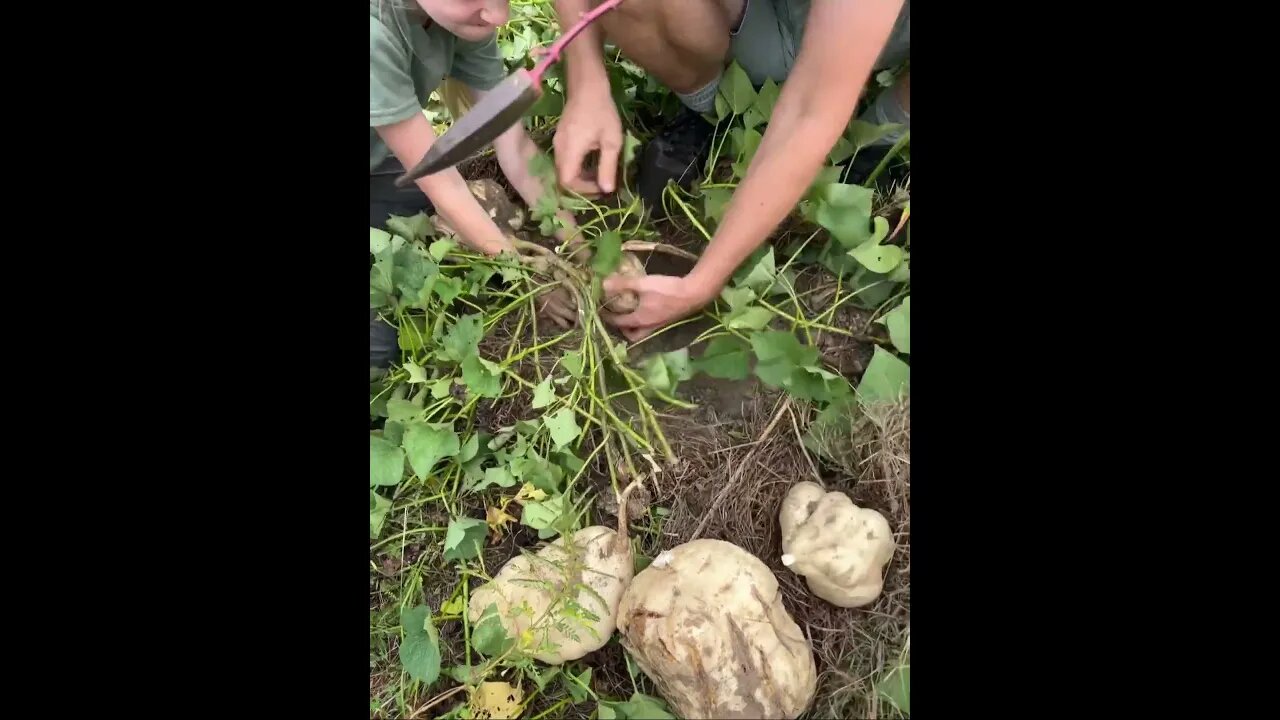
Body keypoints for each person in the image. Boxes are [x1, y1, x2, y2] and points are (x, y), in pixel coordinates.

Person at [550, 0, 910, 341]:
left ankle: (878, 137)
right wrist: (586, 81)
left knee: (830, 93)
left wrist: (701, 284)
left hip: (886, 31)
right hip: (771, 18)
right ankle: (713, 109)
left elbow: (809, 108)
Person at [369, 0, 580, 370]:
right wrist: (526, 279)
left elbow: (513, 144)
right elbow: (443, 185)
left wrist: (582, 248)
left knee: (458, 218)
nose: (498, 16)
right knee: (380, 349)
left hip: (378, 159)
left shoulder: (461, 19)